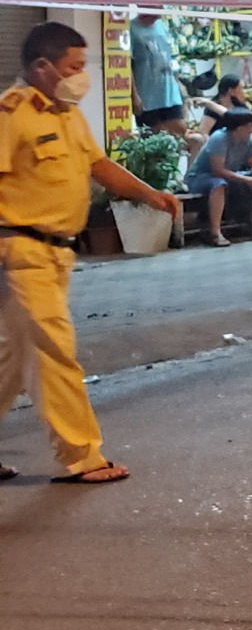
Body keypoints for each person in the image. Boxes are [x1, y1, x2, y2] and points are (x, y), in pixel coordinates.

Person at [0, 24, 179, 483]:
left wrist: (149, 194)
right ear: (43, 67)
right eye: (74, 68)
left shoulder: (66, 113)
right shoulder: (11, 114)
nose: (82, 77)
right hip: (20, 252)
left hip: (57, 254)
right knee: (55, 352)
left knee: (11, 362)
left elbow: (98, 166)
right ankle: (81, 455)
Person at [188, 108, 252, 244]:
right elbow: (218, 171)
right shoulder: (219, 138)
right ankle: (215, 233)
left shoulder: (250, 139)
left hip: (231, 174)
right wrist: (247, 180)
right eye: (250, 125)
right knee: (219, 184)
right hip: (203, 177)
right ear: (239, 128)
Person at [129, 12, 183, 131]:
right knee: (155, 140)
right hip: (148, 98)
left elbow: (169, 56)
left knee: (180, 133)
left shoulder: (162, 25)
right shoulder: (131, 29)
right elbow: (127, 66)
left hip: (170, 93)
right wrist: (134, 95)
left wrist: (178, 84)